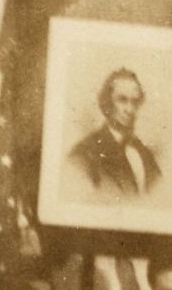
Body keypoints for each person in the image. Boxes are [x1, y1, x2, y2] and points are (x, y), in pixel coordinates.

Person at [68, 68, 161, 198]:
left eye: (135, 102)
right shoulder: (84, 154)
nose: (130, 110)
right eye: (122, 100)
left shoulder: (144, 153)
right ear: (107, 103)